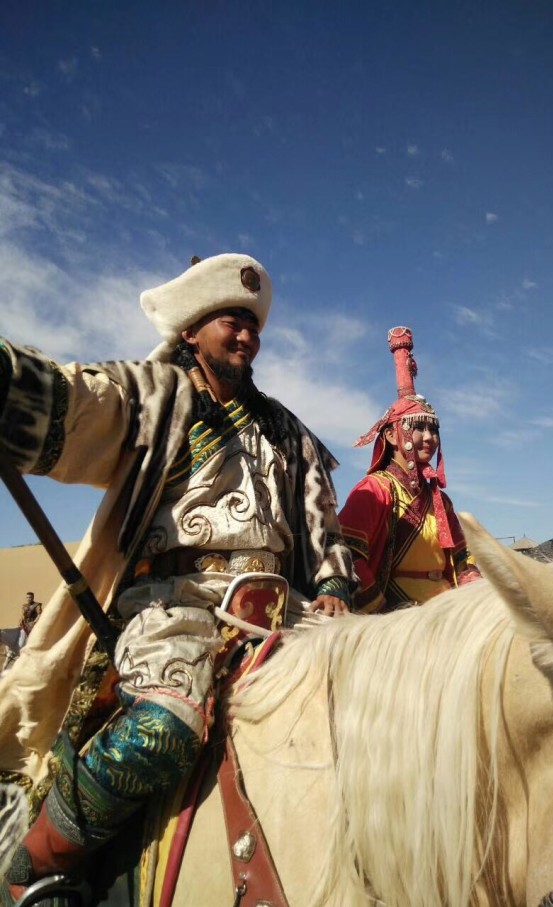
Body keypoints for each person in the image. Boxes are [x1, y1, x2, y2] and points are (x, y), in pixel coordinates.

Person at [0, 252, 354, 903]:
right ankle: (40, 867)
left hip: (285, 610)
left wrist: (333, 589)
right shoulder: (153, 397)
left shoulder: (287, 430)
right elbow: (79, 403)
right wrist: (12, 383)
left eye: (253, 323)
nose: (246, 334)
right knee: (164, 724)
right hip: (172, 607)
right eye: (231, 320)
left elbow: (322, 524)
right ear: (191, 328)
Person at [338, 326, 480, 613]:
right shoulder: (375, 489)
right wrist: (382, 609)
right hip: (396, 616)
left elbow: (463, 558)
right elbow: (348, 555)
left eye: (433, 429)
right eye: (417, 428)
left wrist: (475, 593)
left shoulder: (440, 499)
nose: (429, 438)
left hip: (448, 608)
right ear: (391, 435)